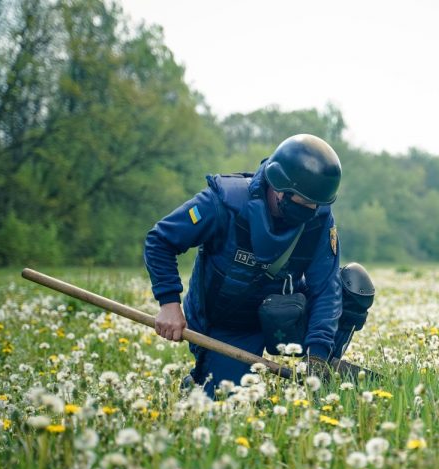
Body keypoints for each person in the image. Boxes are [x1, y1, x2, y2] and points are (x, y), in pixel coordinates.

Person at [144, 134, 372, 396]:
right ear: (278, 187)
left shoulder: (319, 220)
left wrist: (317, 355)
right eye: (303, 202)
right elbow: (160, 240)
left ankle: (322, 376)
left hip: (282, 314)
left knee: (353, 286)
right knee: (224, 401)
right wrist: (169, 304)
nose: (310, 209)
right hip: (225, 322)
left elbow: (325, 289)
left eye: (315, 204)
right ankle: (200, 380)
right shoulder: (223, 203)